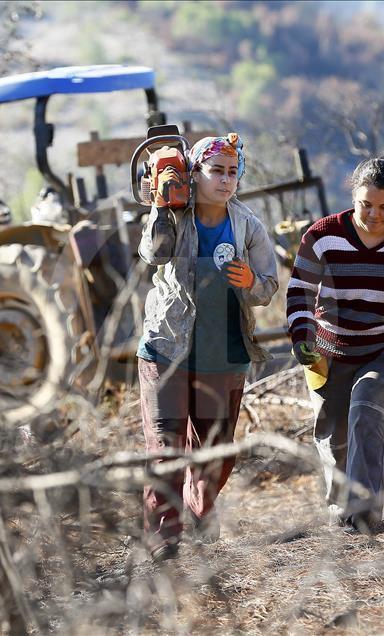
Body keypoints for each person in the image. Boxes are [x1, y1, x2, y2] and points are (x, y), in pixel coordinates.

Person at [136, 133, 278, 561]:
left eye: (233, 172)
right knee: (167, 446)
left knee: (214, 450)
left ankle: (200, 514)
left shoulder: (247, 225)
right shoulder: (176, 216)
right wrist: (161, 208)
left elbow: (269, 285)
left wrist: (251, 282)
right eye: (216, 170)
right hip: (166, 348)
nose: (226, 179)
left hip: (223, 349)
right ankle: (165, 539)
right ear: (194, 173)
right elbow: (153, 255)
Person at [286, 157, 384, 531]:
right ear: (352, 197)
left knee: (367, 407)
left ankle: (366, 515)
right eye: (365, 205)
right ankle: (341, 512)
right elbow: (300, 292)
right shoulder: (322, 236)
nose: (374, 215)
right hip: (331, 351)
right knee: (333, 432)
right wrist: (301, 336)